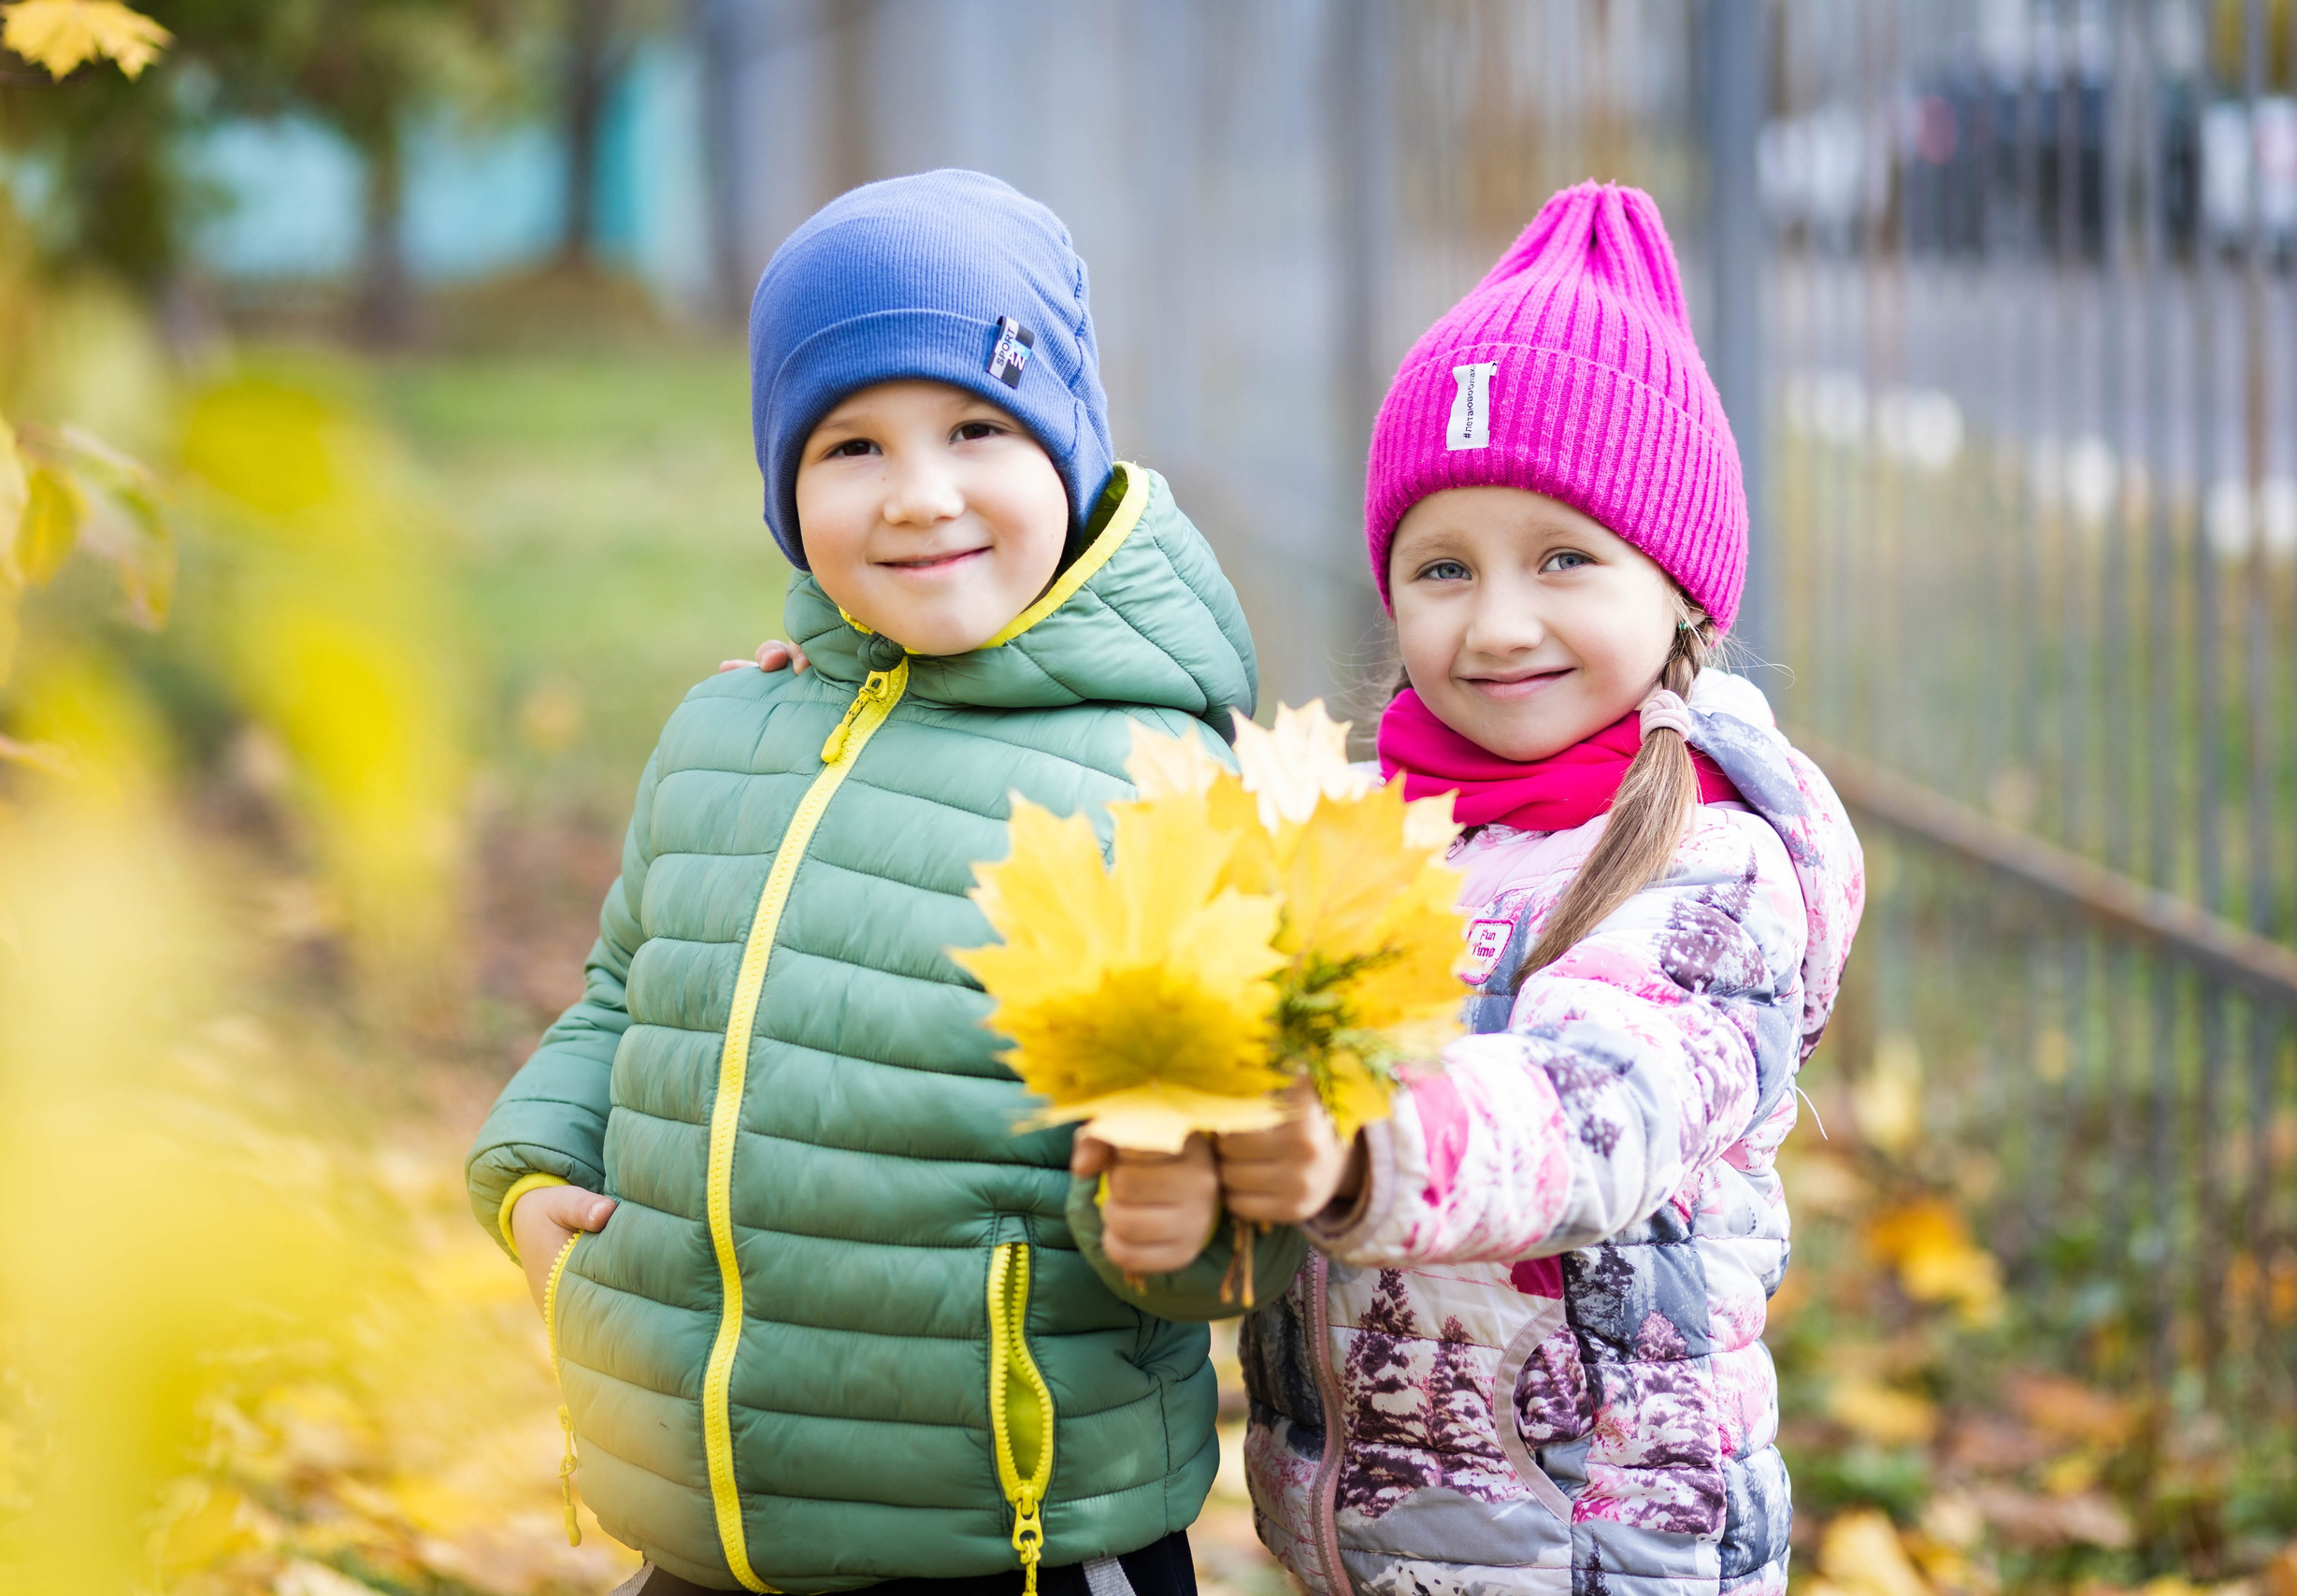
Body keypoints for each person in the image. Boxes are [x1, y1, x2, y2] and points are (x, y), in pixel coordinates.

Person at [467, 169, 1296, 1596]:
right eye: (851, 445)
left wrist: (1188, 1225)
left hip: (1013, 1538)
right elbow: (626, 989)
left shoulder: (1158, 782)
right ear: (787, 488)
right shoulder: (727, 731)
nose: (920, 495)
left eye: (978, 427)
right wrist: (532, 1168)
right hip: (707, 1518)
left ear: (1073, 452)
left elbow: (1231, 1209)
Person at [1082, 182, 1866, 1596]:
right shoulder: (1374, 840)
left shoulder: (1714, 856)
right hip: (1365, 1548)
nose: (1497, 623)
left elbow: (1597, 1110)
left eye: (1565, 556)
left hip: (1599, 1553)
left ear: (1683, 587)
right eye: (1443, 565)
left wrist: (1361, 1145)